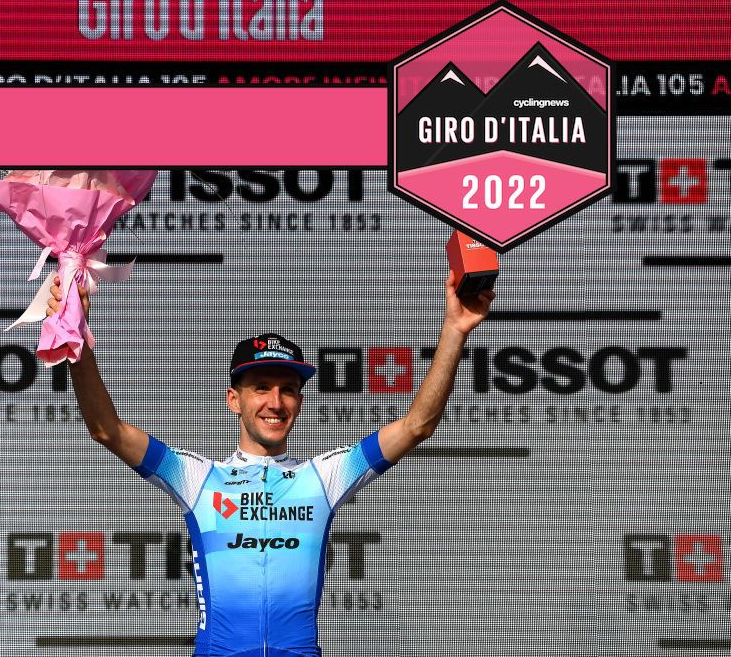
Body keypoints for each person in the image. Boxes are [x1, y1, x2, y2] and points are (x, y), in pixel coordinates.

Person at [48, 272, 495, 657]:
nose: (275, 402)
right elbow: (107, 429)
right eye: (261, 387)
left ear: (299, 401)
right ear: (234, 400)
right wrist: (75, 341)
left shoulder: (323, 476)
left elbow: (417, 425)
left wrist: (455, 329)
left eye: (288, 389)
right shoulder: (198, 477)